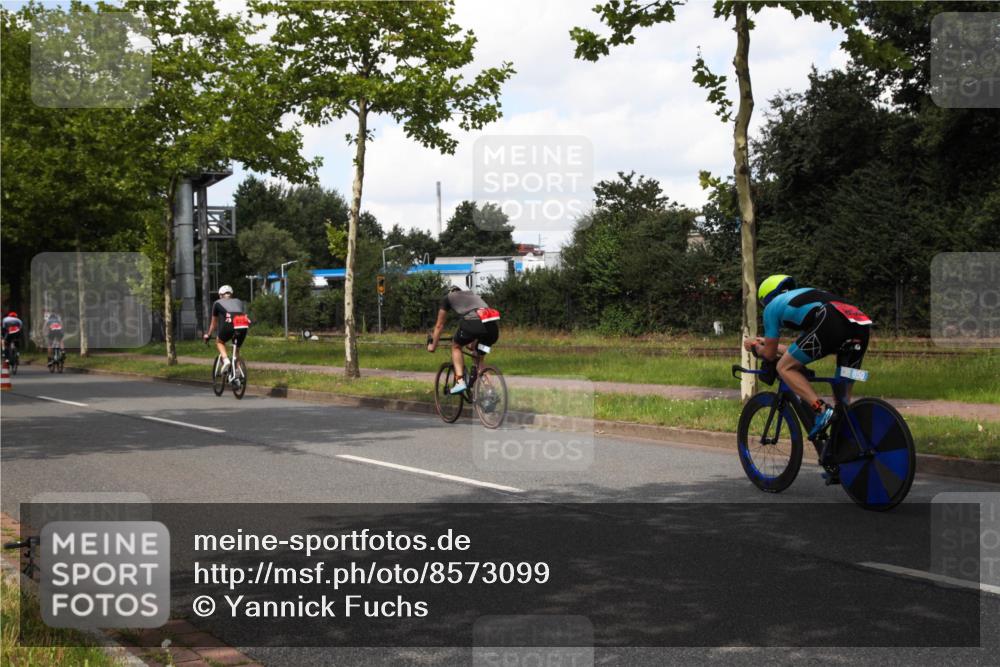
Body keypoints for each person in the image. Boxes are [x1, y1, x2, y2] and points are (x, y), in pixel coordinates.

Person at [744, 274, 872, 438]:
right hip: (859, 321)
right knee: (842, 399)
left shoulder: (771, 307)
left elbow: (769, 355)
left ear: (766, 298)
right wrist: (769, 344)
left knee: (783, 367)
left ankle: (821, 410)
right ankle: (848, 442)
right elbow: (799, 350)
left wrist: (754, 346)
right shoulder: (805, 296)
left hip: (831, 318)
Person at [427, 286, 500, 394]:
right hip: (493, 330)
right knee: (479, 360)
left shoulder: (448, 298)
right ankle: (491, 392)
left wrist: (433, 346)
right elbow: (481, 323)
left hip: (473, 323)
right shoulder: (472, 295)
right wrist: (472, 343)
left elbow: (439, 325)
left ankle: (459, 381)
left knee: (456, 346)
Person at [202, 286, 250, 375]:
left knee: (219, 342)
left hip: (231, 323)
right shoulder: (238, 301)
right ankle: (238, 373)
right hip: (244, 324)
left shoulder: (217, 303)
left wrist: (208, 335)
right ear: (231, 294)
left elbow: (214, 324)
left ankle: (225, 360)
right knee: (236, 349)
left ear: (220, 295)